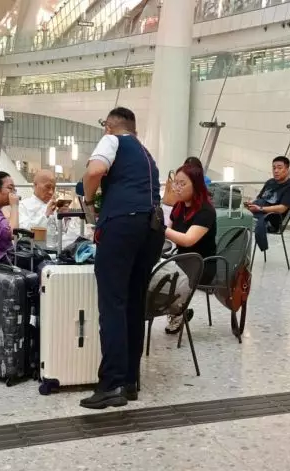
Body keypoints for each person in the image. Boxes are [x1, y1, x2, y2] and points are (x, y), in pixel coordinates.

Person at [80, 107, 165, 410]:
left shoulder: (112, 140)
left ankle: (111, 384)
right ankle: (129, 381)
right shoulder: (145, 154)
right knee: (133, 304)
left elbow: (94, 172)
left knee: (113, 303)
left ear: (108, 126)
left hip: (122, 225)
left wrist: (88, 200)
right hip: (152, 229)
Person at [162, 161, 216, 333]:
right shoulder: (179, 206)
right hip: (182, 259)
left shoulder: (206, 211)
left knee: (162, 278)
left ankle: (177, 311)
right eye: (176, 183)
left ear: (196, 186)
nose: (176, 188)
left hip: (201, 264)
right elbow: (170, 233)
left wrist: (160, 229)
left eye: (182, 184)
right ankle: (176, 309)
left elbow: (187, 240)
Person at [246, 156, 290, 252]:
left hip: (272, 221)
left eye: (279, 168)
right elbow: (260, 198)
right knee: (234, 217)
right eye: (274, 168)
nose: (276, 171)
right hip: (259, 212)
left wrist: (260, 209)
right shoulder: (270, 182)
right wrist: (251, 204)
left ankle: (241, 256)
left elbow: (282, 208)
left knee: (240, 223)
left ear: (287, 169)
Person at [17, 169, 79, 248]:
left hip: (56, 248)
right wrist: (46, 215)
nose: (51, 192)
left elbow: (61, 232)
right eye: (47, 187)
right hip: (34, 250)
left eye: (53, 188)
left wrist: (63, 218)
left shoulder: (52, 206)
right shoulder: (23, 205)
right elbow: (24, 231)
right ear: (35, 185)